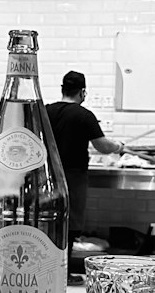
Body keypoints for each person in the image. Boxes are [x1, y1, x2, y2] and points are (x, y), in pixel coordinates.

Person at [45, 70, 126, 279]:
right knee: (70, 222)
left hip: (46, 175)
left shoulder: (44, 111)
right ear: (82, 92)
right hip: (73, 176)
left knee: (49, 221)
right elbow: (102, 146)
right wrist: (118, 146)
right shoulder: (84, 115)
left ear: (62, 89)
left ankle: (47, 270)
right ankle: (65, 272)